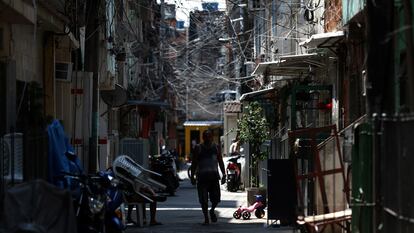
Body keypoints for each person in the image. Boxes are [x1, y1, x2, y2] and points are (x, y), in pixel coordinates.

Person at [190, 130, 226, 225]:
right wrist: (192, 177)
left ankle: (212, 210)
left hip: (214, 178)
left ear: (212, 137)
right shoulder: (198, 148)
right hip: (202, 178)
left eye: (209, 136)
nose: (207, 138)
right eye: (205, 136)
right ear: (203, 138)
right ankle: (206, 218)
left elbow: (220, 161)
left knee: (216, 199)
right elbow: (194, 163)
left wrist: (224, 174)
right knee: (203, 200)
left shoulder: (216, 147)